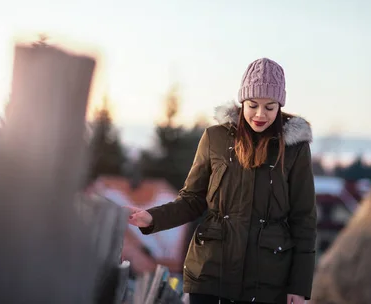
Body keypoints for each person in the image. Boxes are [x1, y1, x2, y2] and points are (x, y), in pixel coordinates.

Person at [126, 58, 317, 304]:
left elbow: (304, 221)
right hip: (211, 273)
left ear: (279, 106)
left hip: (268, 281)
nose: (260, 114)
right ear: (242, 102)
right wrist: (150, 218)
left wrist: (299, 286)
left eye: (270, 107)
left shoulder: (294, 149)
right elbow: (192, 200)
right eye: (253, 105)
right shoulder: (215, 138)